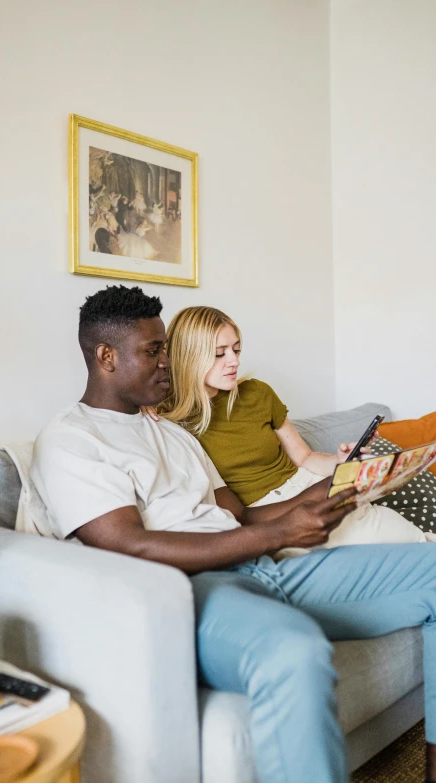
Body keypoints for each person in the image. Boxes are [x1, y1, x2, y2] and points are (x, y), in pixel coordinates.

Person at [30, 285, 436, 783]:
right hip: (196, 589)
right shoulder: (72, 439)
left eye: (167, 349)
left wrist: (332, 489)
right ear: (106, 356)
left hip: (266, 570)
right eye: (153, 351)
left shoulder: (173, 434)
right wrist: (279, 534)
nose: (167, 363)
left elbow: (240, 518)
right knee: (295, 652)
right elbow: (126, 544)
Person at [156, 305, 432, 552]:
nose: (234, 361)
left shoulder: (257, 393)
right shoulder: (168, 420)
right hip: (271, 516)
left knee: (412, 542)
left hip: (311, 487)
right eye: (220, 353)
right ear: (188, 356)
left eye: (236, 349)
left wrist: (340, 461)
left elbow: (305, 458)